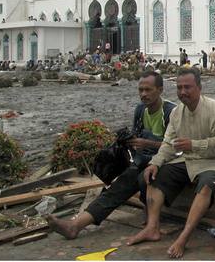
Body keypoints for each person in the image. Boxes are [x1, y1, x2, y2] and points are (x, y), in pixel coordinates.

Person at [47, 73, 175, 239]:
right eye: (141, 90)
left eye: (148, 90)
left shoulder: (171, 112)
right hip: (144, 161)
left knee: (139, 179)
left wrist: (148, 143)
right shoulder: (140, 110)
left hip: (166, 162)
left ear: (160, 90)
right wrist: (127, 141)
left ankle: (151, 217)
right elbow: (136, 139)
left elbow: (175, 147)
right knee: (116, 188)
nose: (144, 94)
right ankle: (75, 225)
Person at [127, 68, 215, 258]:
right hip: (188, 160)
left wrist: (195, 144)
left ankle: (184, 237)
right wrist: (156, 163)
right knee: (154, 176)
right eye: (179, 87)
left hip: (214, 162)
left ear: (199, 88)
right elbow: (169, 143)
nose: (183, 92)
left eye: (188, 87)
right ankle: (152, 228)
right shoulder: (177, 113)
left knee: (206, 186)